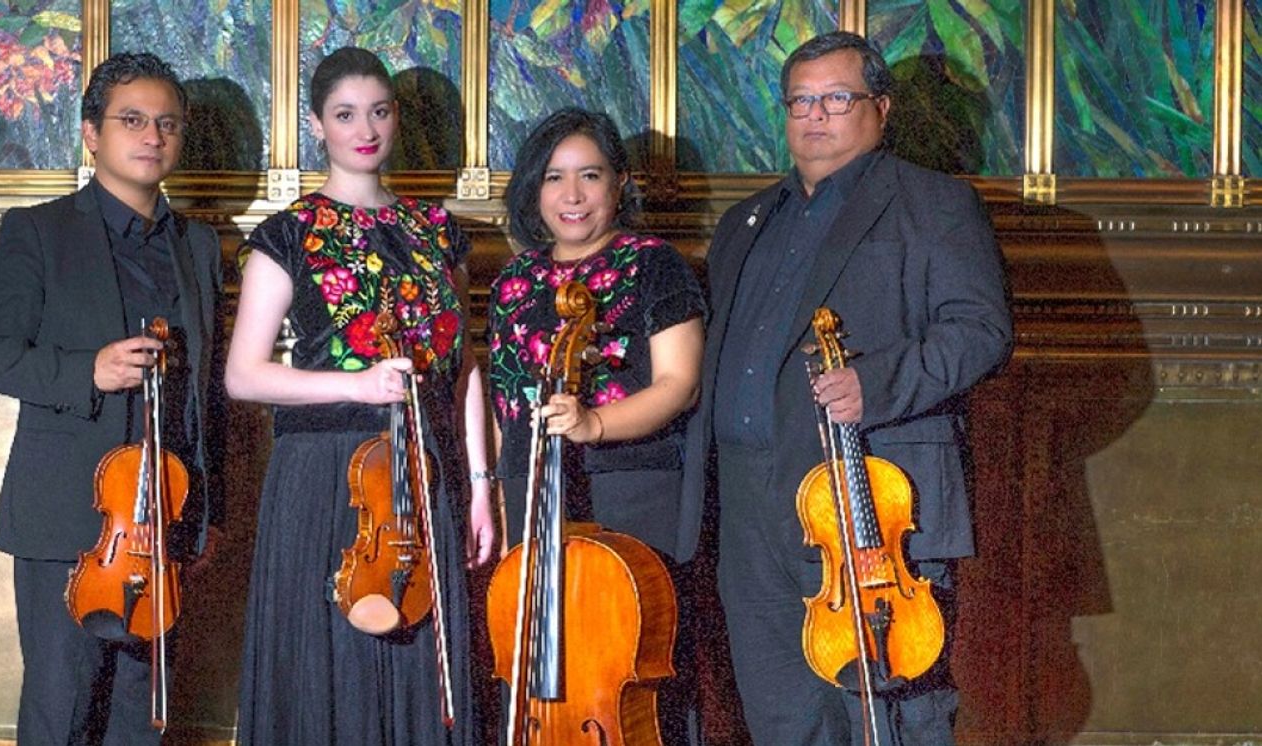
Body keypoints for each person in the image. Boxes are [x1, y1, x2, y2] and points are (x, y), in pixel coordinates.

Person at [679, 31, 1013, 745]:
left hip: (865, 497)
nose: (815, 115)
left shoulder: (933, 205)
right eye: (800, 100)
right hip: (748, 501)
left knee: (889, 710)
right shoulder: (746, 221)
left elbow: (981, 330)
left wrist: (879, 384)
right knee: (781, 711)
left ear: (880, 108)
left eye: (836, 98)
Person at [228, 46, 496, 745]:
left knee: (421, 667)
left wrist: (481, 488)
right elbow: (244, 374)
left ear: (395, 117)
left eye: (378, 111)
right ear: (319, 124)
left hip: (423, 468)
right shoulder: (287, 234)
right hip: (324, 478)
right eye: (345, 114)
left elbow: (463, 367)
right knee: (329, 663)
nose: (364, 128)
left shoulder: (438, 233)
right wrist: (358, 382)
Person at [0, 52, 224, 745]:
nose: (152, 136)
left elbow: (208, 391)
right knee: (62, 707)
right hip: (63, 519)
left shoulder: (198, 246)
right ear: (91, 133)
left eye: (167, 124)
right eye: (131, 120)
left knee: (143, 712)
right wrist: (91, 370)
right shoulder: (39, 231)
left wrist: (207, 513)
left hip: (161, 519)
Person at [486, 107, 705, 743]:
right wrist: (507, 520)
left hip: (633, 492)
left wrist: (595, 424)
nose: (572, 195)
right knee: (541, 673)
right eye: (554, 177)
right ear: (533, 188)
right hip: (538, 496)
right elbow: (506, 411)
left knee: (630, 671)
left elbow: (678, 383)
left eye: (590, 175)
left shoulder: (652, 264)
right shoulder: (514, 281)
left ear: (619, 185)